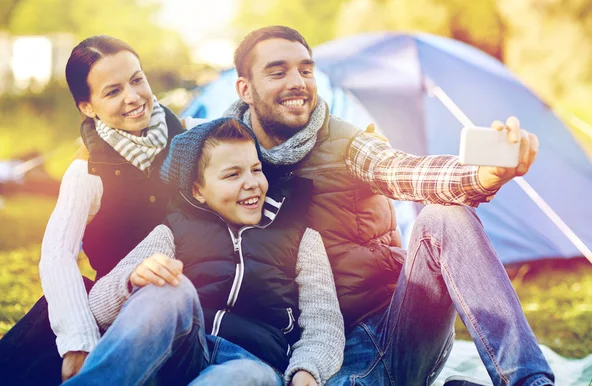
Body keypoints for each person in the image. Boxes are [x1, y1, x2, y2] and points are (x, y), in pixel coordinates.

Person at [185, 26, 554, 386]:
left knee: (444, 215)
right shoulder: (223, 157)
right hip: (303, 351)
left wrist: (481, 175)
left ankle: (528, 380)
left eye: (306, 70)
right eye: (278, 72)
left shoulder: (347, 144)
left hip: (392, 327)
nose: (297, 82)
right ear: (244, 89)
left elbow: (404, 171)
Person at [63, 117, 345, 386]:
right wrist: (132, 280)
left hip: (256, 364)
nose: (252, 183)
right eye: (233, 174)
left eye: (256, 169)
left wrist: (308, 369)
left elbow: (325, 323)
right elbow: (98, 307)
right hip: (185, 354)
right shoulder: (173, 231)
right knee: (168, 286)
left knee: (243, 375)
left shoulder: (300, 238)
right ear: (198, 190)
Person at [0, 35, 185, 384]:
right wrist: (78, 342)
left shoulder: (186, 138)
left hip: (186, 297)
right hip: (116, 305)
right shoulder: (86, 169)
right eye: (113, 91)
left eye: (136, 80)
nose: (132, 97)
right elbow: (57, 253)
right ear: (87, 107)